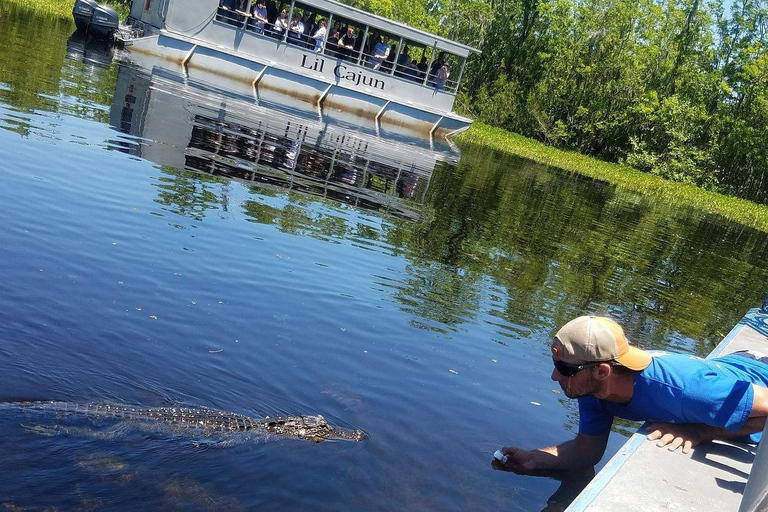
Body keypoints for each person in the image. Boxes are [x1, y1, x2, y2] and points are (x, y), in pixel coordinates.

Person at [497, 315, 768, 473]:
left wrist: (700, 432)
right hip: (733, 365)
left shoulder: (688, 391)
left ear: (603, 370)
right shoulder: (594, 391)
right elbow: (586, 451)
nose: (555, 376)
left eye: (564, 368)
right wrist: (535, 459)